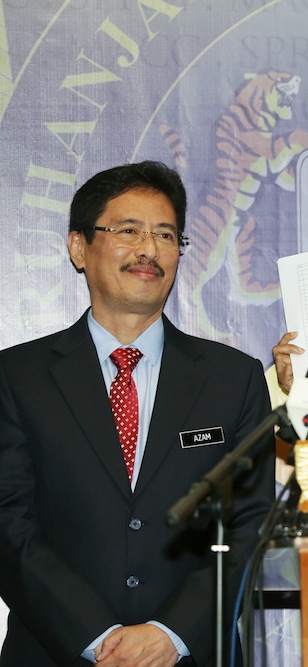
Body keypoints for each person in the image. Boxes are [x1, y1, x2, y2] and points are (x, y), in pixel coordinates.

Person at [0, 161, 274, 666]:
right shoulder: (17, 377)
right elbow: (7, 524)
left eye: (165, 235)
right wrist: (98, 637)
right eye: (128, 231)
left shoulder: (232, 378)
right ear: (79, 247)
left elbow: (250, 525)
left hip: (191, 653)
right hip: (54, 652)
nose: (149, 249)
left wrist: (171, 633)